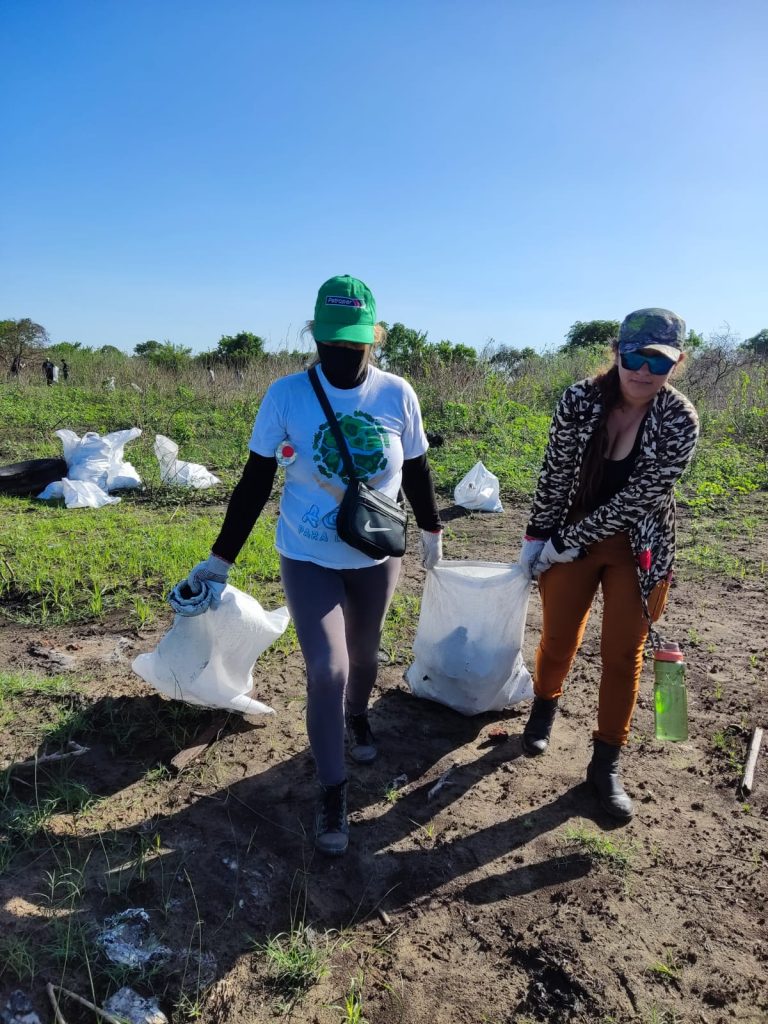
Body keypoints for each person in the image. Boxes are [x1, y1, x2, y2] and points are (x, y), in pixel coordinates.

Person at [182, 276, 443, 855]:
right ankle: (333, 789)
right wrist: (220, 559)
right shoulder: (286, 397)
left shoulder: (397, 394)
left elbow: (418, 469)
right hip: (307, 554)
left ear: (373, 337)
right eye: (332, 341)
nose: (343, 352)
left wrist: (432, 530)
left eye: (354, 342)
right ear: (315, 336)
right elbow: (255, 482)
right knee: (328, 667)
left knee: (365, 655)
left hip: (375, 555)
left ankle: (358, 716)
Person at [518, 308, 699, 821]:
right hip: (570, 537)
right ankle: (543, 710)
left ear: (676, 364)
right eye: (634, 357)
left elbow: (639, 499)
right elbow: (555, 472)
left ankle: (605, 763)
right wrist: (538, 538)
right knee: (558, 637)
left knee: (623, 654)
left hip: (637, 549)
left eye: (658, 362)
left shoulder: (680, 419)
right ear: (616, 352)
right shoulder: (579, 399)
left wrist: (564, 541)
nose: (643, 371)